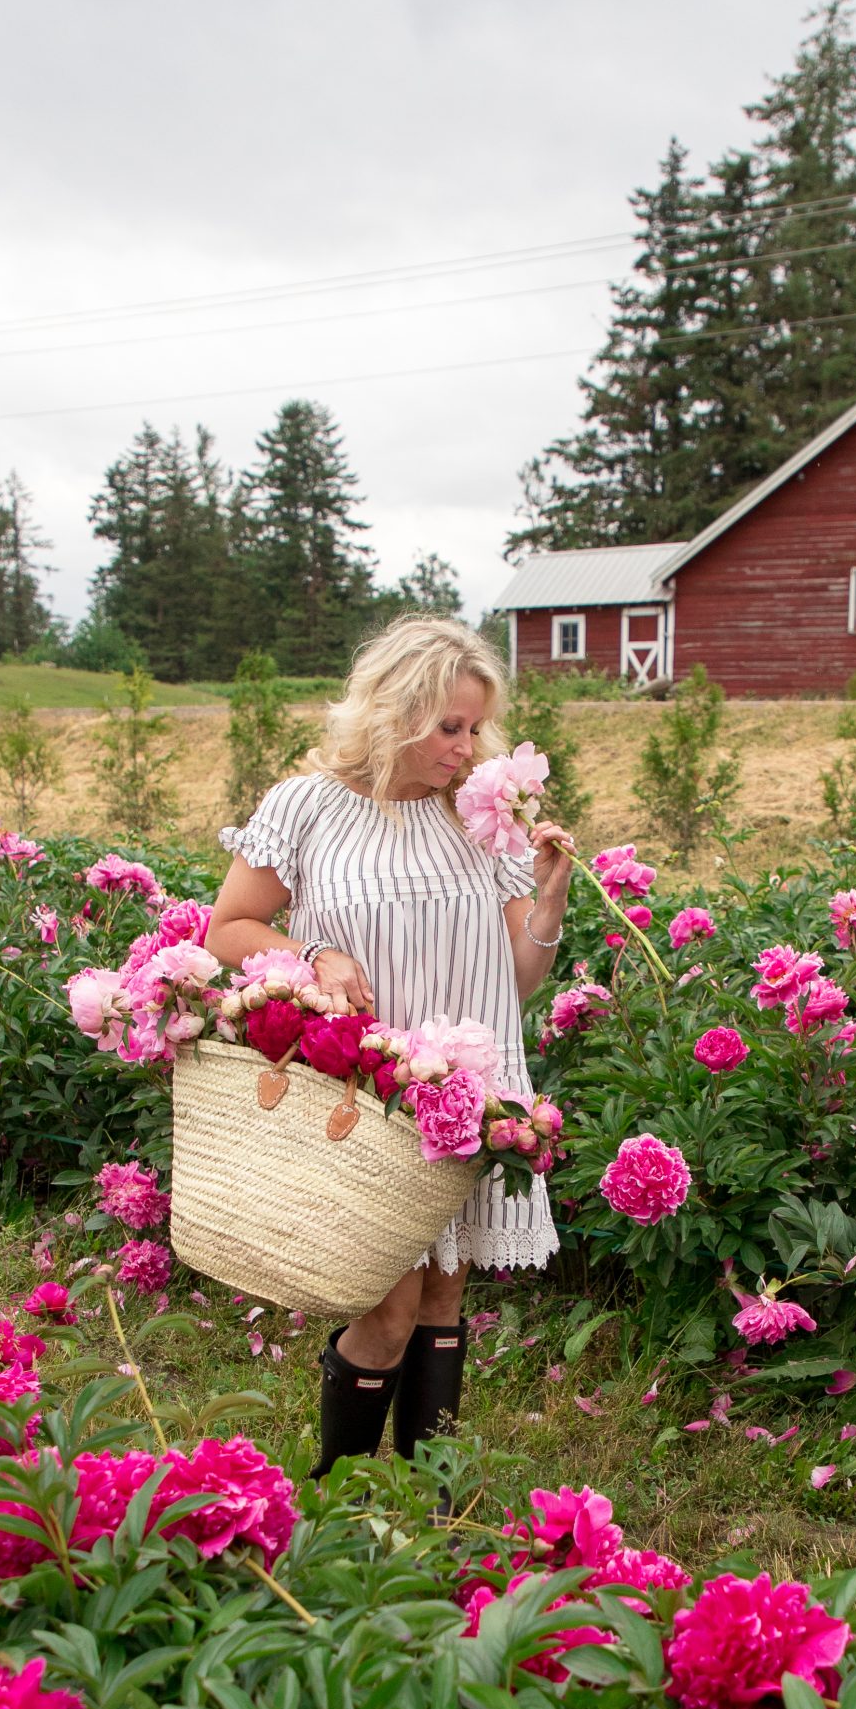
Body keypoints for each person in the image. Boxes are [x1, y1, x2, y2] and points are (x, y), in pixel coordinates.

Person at [206, 615, 573, 1476]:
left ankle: (428, 1501)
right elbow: (228, 927)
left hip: (467, 1092)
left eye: (476, 726)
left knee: (445, 1293)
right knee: (388, 1307)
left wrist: (549, 903)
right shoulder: (309, 805)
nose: (467, 745)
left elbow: (514, 983)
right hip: (368, 1092)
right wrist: (310, 954)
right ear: (392, 713)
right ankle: (335, 1501)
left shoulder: (487, 822)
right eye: (449, 726)